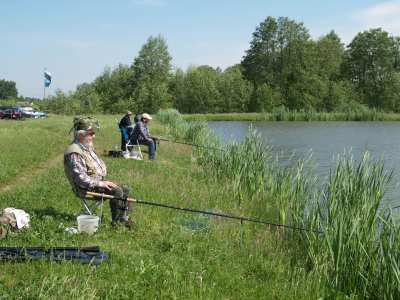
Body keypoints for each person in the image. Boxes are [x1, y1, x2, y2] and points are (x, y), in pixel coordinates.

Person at [64, 116, 134, 228]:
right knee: (117, 191)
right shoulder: (75, 152)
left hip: (96, 183)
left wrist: (103, 181)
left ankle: (124, 218)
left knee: (126, 189)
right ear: (81, 135)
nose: (94, 136)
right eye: (91, 134)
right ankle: (117, 223)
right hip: (85, 188)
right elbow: (80, 178)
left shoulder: (86, 147)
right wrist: (101, 183)